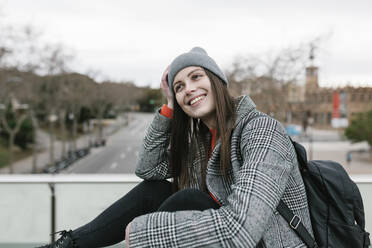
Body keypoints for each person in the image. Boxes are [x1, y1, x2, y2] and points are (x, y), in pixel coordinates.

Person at [38, 47, 313, 248]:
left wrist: (142, 232)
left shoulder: (260, 131)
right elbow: (147, 169)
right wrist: (168, 106)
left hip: (264, 242)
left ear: (217, 81)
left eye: (196, 77)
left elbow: (240, 231)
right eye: (179, 87)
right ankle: (67, 246)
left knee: (188, 200)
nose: (188, 89)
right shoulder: (203, 141)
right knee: (156, 190)